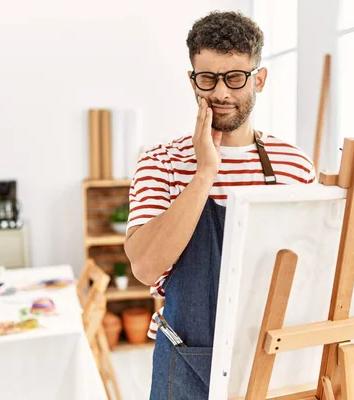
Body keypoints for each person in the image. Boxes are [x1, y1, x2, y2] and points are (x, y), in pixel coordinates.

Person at [124, 10, 316, 399]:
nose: (222, 93)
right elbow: (145, 267)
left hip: (275, 360)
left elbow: (314, 272)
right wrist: (204, 173)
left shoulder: (293, 165)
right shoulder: (161, 161)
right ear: (192, 80)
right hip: (186, 358)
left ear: (258, 79)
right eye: (208, 78)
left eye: (235, 78)